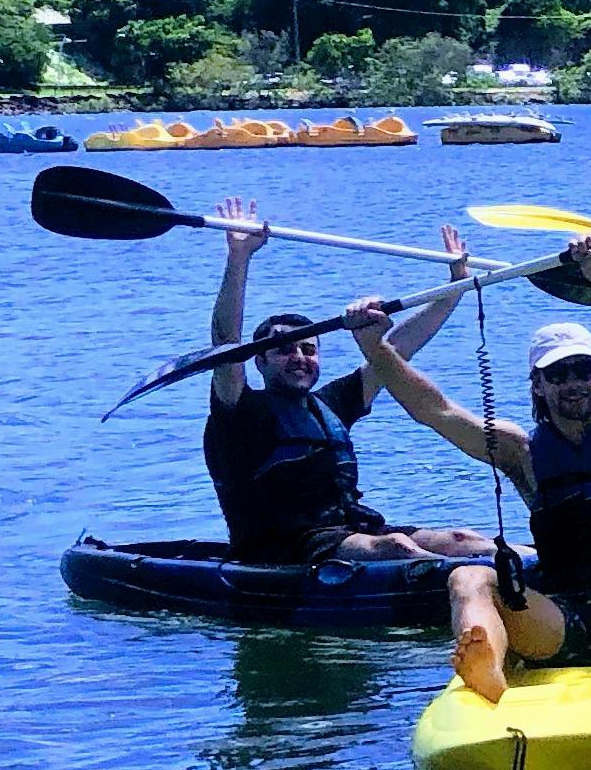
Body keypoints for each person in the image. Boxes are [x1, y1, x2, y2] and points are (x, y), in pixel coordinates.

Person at [349, 236, 591, 701]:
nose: (573, 383)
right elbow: (434, 410)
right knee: (468, 577)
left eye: (583, 370)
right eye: (557, 375)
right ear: (538, 386)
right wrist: (375, 348)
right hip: (559, 619)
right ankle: (488, 669)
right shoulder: (520, 453)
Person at [203, 197, 496, 566]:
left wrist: (455, 287)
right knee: (399, 550)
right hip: (283, 549)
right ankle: (475, 585)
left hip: (351, 530)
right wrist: (239, 258)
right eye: (285, 350)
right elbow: (225, 343)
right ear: (259, 360)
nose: (299, 357)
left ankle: (536, 565)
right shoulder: (239, 411)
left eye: (309, 349)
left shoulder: (331, 404)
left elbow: (398, 350)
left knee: (461, 540)